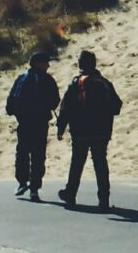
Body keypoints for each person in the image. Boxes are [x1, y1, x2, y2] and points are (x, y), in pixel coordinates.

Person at [56, 50, 123, 211]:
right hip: (101, 131)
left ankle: (70, 193)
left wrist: (61, 127)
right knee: (100, 163)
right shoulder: (105, 83)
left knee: (77, 163)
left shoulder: (76, 83)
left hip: (80, 130)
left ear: (80, 64)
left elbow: (65, 107)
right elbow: (117, 106)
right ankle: (104, 198)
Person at [5, 51, 60, 202]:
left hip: (24, 123)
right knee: (38, 155)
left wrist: (13, 112)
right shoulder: (47, 79)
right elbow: (55, 101)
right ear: (38, 63)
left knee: (22, 153)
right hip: (40, 124)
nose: (48, 65)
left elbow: (10, 101)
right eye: (45, 62)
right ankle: (34, 188)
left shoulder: (21, 78)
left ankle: (22, 182)